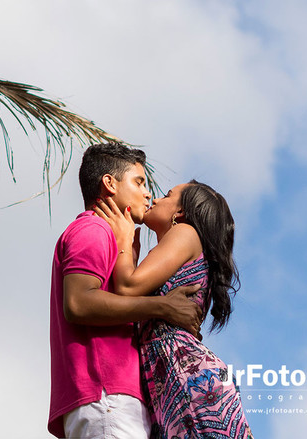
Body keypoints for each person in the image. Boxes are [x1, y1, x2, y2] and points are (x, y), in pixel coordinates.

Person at [49, 143, 205, 439]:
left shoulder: (109, 238)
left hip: (111, 399)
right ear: (110, 183)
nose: (148, 193)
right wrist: (163, 306)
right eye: (139, 182)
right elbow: (79, 303)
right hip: (107, 395)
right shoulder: (93, 229)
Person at [96, 181, 253, 439]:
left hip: (188, 381)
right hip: (173, 384)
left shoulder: (186, 233)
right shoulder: (182, 250)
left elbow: (127, 287)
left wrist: (123, 237)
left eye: (167, 196)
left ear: (180, 212)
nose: (155, 199)